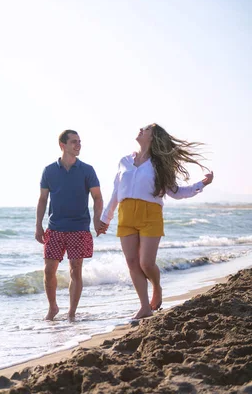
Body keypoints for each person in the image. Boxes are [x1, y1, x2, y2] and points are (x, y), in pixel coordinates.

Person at [98, 123, 214, 319]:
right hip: (126, 215)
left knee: (146, 263)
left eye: (146, 129)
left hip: (150, 214)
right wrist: (105, 218)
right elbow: (116, 192)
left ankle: (157, 287)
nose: (140, 130)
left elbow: (177, 192)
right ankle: (144, 306)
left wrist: (201, 184)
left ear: (153, 137)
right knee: (132, 262)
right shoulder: (124, 161)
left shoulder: (159, 165)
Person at [35, 129, 104, 321]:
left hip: (79, 227)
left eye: (80, 141)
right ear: (62, 145)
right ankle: (53, 308)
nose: (78, 145)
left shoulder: (87, 170)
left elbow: (97, 197)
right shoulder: (49, 171)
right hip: (55, 227)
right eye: (74, 142)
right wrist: (38, 226)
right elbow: (42, 200)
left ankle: (72, 313)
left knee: (76, 269)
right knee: (49, 270)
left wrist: (97, 218)